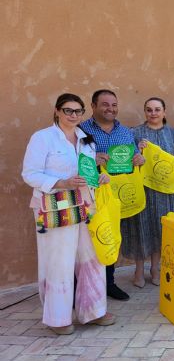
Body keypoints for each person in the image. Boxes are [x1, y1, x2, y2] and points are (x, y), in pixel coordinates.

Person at [22, 93, 115, 335]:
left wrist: (100, 176)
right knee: (59, 262)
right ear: (57, 111)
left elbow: (88, 172)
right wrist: (62, 182)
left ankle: (94, 311)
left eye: (77, 111)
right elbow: (29, 174)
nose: (73, 115)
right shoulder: (43, 138)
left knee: (91, 259)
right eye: (68, 110)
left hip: (85, 205)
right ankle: (58, 318)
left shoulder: (87, 140)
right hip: (54, 207)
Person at [81, 89, 145, 301]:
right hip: (91, 194)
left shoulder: (125, 131)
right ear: (93, 106)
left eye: (114, 105)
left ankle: (109, 283)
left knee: (110, 237)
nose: (111, 109)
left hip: (118, 195)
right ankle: (86, 286)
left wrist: (139, 159)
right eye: (105, 104)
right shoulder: (81, 131)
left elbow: (134, 155)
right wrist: (92, 159)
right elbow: (74, 161)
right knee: (91, 239)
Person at [120, 97, 174, 288]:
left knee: (160, 229)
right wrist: (136, 152)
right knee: (141, 228)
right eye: (149, 110)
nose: (153, 113)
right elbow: (126, 159)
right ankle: (138, 270)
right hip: (143, 190)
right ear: (145, 112)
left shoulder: (173, 133)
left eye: (157, 109)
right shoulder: (135, 132)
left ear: (164, 111)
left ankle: (156, 268)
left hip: (166, 193)